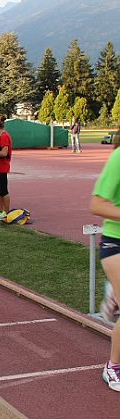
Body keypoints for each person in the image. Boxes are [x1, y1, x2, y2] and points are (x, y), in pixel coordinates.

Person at [89, 128, 120, 390]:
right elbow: (96, 205)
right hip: (115, 242)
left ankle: (115, 294)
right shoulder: (119, 158)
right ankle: (113, 368)